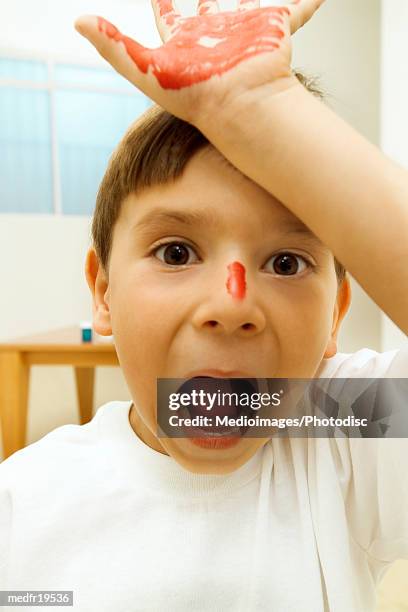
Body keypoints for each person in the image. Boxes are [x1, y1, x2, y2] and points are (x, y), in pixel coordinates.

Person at [1, 1, 407, 610]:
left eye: (287, 263)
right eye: (175, 252)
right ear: (103, 289)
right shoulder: (23, 502)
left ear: (336, 313)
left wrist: (266, 107)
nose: (231, 304)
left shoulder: (341, 436)